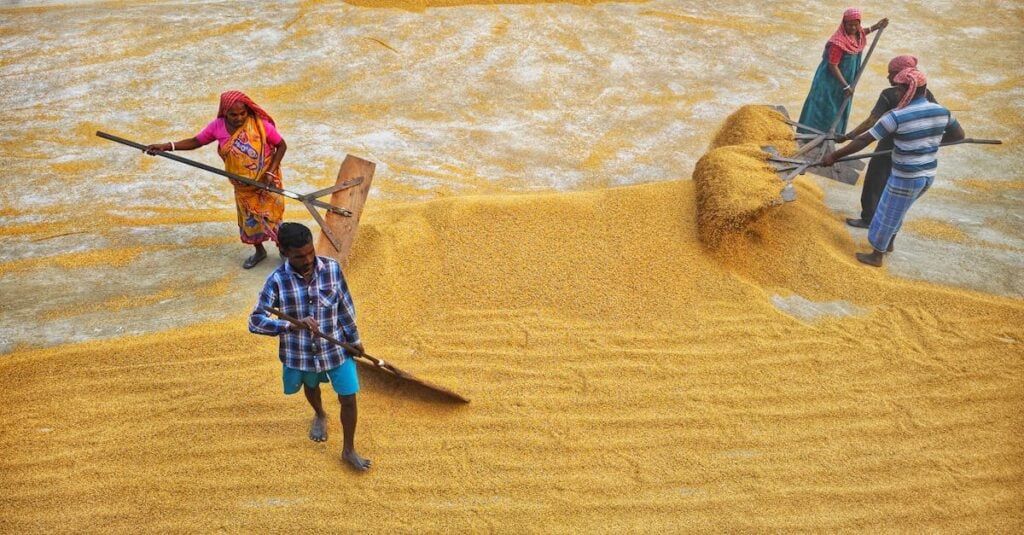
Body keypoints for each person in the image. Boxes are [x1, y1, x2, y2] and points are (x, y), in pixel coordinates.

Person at [248, 222, 371, 471]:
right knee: (311, 386)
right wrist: (288, 326)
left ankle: (348, 450)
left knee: (348, 397)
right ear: (283, 253)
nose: (307, 260)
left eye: (310, 253)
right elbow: (255, 321)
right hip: (301, 353)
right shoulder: (276, 282)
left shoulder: (332, 269)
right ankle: (320, 414)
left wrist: (354, 340)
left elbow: (345, 307)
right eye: (299, 256)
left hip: (335, 349)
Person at [823, 66, 965, 267]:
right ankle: (889, 244)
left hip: (906, 175)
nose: (896, 92)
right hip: (927, 174)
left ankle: (876, 255)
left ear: (906, 90)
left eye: (899, 88)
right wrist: (929, 141)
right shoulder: (941, 111)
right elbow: (959, 136)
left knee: (886, 212)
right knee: (900, 209)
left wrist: (834, 156)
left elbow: (864, 140)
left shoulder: (896, 116)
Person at [146, 91, 286, 269]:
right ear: (224, 112)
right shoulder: (218, 126)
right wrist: (166, 147)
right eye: (233, 114)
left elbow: (282, 145)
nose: (239, 118)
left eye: (242, 113)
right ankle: (259, 251)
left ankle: (285, 249)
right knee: (249, 220)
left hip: (267, 182)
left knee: (273, 217)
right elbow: (196, 141)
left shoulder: (260, 125)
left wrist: (271, 172)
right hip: (242, 186)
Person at [840, 55, 939, 230]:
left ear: (902, 74)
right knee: (894, 186)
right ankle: (882, 223)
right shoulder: (925, 93)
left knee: (875, 180)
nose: (888, 78)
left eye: (891, 73)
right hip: (912, 146)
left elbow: (872, 121)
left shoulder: (889, 94)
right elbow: (934, 115)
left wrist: (850, 135)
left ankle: (869, 218)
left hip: (889, 145)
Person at [797, 9, 888, 135]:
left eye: (856, 25)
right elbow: (833, 66)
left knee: (839, 105)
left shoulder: (857, 33)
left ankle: (833, 134)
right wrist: (846, 86)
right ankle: (811, 133)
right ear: (843, 24)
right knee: (824, 106)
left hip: (846, 80)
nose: (853, 28)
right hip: (831, 80)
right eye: (850, 25)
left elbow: (862, 32)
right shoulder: (838, 43)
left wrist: (876, 27)